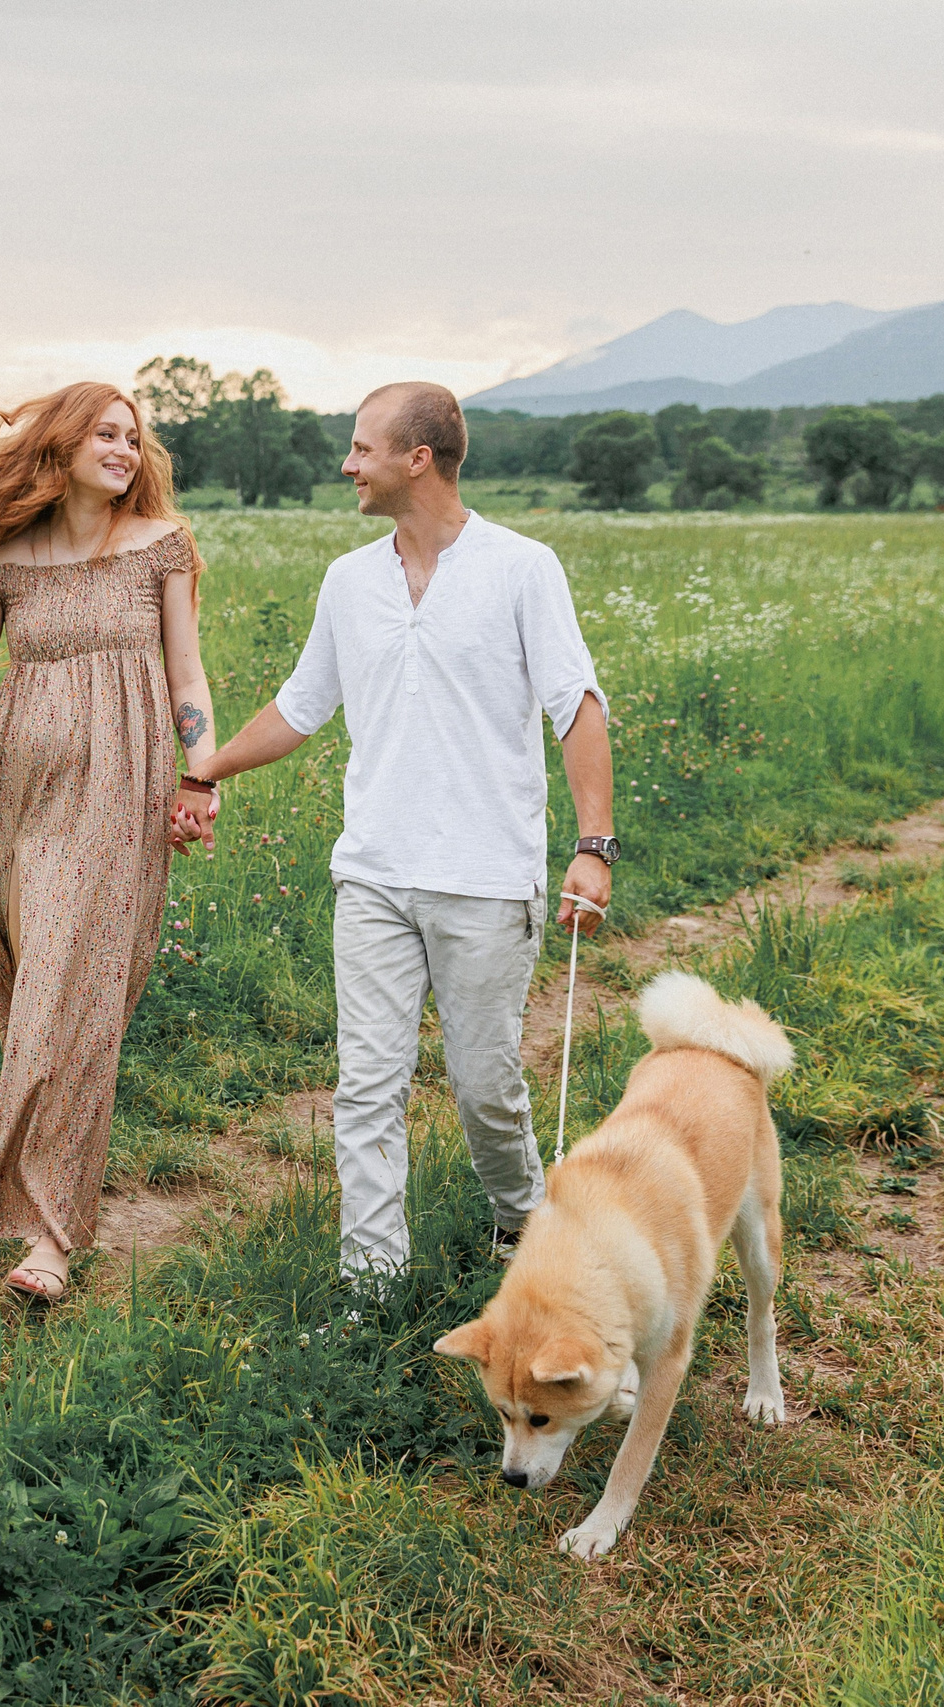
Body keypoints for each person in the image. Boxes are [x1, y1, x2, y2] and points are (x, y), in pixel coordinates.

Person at [172, 382, 616, 1274]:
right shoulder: (349, 579)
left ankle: (522, 1220)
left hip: (487, 878)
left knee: (485, 1084)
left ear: (418, 460)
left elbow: (578, 707)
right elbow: (303, 705)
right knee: (366, 1085)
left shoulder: (523, 568)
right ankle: (371, 1280)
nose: (347, 465)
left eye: (362, 448)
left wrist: (593, 846)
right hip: (373, 874)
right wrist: (201, 770)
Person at [0, 382, 218, 1302]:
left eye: (133, 439)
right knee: (31, 993)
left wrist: (199, 773)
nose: (125, 451)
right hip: (18, 797)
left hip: (119, 798)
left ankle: (52, 1237)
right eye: (105, 435)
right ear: (60, 447)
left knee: (74, 991)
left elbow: (188, 671)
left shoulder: (161, 548)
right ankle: (40, 1185)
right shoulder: (6, 561)